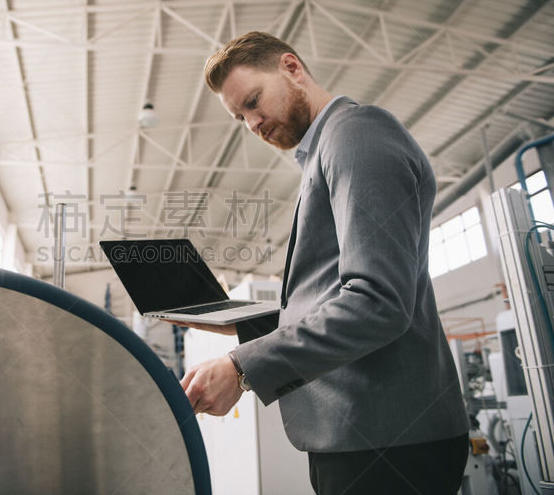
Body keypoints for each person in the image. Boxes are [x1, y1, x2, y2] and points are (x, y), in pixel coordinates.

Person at [173, 31, 469, 495]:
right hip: (364, 438)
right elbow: (339, 291)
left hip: (388, 443)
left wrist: (241, 367)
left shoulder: (357, 134)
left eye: (254, 100)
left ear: (291, 68)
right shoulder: (328, 150)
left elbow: (378, 301)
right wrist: (246, 324)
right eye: (240, 117)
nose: (252, 123)